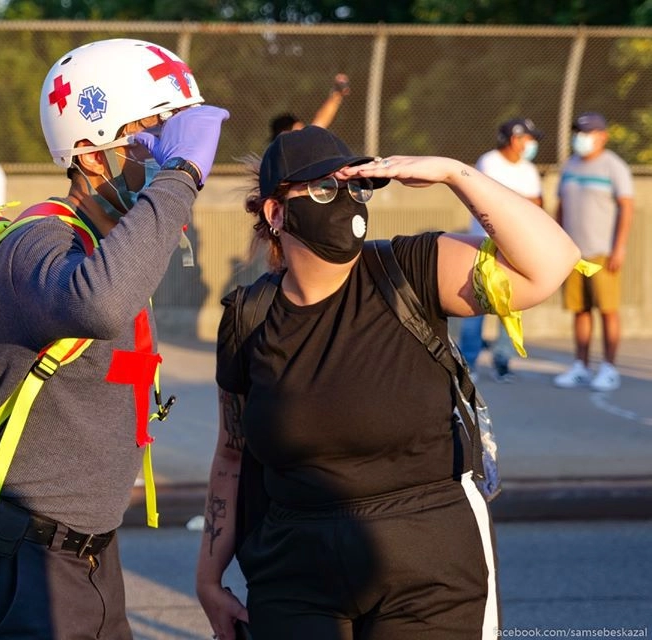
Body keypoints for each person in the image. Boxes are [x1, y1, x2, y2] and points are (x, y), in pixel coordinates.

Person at [195, 126, 580, 640]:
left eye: (355, 187)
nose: (346, 202)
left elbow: (551, 264)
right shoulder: (248, 316)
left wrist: (453, 173)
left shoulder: (410, 270)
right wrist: (208, 578)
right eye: (324, 189)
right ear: (276, 213)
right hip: (294, 569)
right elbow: (233, 454)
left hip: (428, 563)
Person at [0, 38, 228, 639]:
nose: (172, 154)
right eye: (155, 136)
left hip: (83, 556)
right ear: (93, 156)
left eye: (176, 139)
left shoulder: (107, 251)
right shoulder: (37, 245)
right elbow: (100, 305)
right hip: (16, 557)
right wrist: (181, 176)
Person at [553, 112, 634, 392]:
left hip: (602, 252)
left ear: (603, 136)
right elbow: (561, 206)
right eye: (578, 132)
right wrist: (558, 242)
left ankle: (609, 369)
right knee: (580, 310)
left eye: (586, 133)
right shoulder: (570, 165)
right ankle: (581, 366)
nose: (581, 137)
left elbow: (626, 207)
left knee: (608, 310)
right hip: (573, 253)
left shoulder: (614, 166)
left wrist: (618, 248)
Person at [460, 117, 544, 382]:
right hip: (485, 245)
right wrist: (520, 200)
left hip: (518, 247)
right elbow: (494, 199)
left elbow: (537, 204)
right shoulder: (489, 162)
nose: (531, 144)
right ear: (514, 139)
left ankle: (502, 361)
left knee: (512, 306)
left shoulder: (529, 170)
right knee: (476, 306)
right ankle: (468, 363)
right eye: (528, 138)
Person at [269, 73, 351, 141]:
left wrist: (337, 95)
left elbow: (319, 123)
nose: (304, 129)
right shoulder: (295, 147)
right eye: (300, 128)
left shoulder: (299, 144)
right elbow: (319, 124)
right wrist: (337, 95)